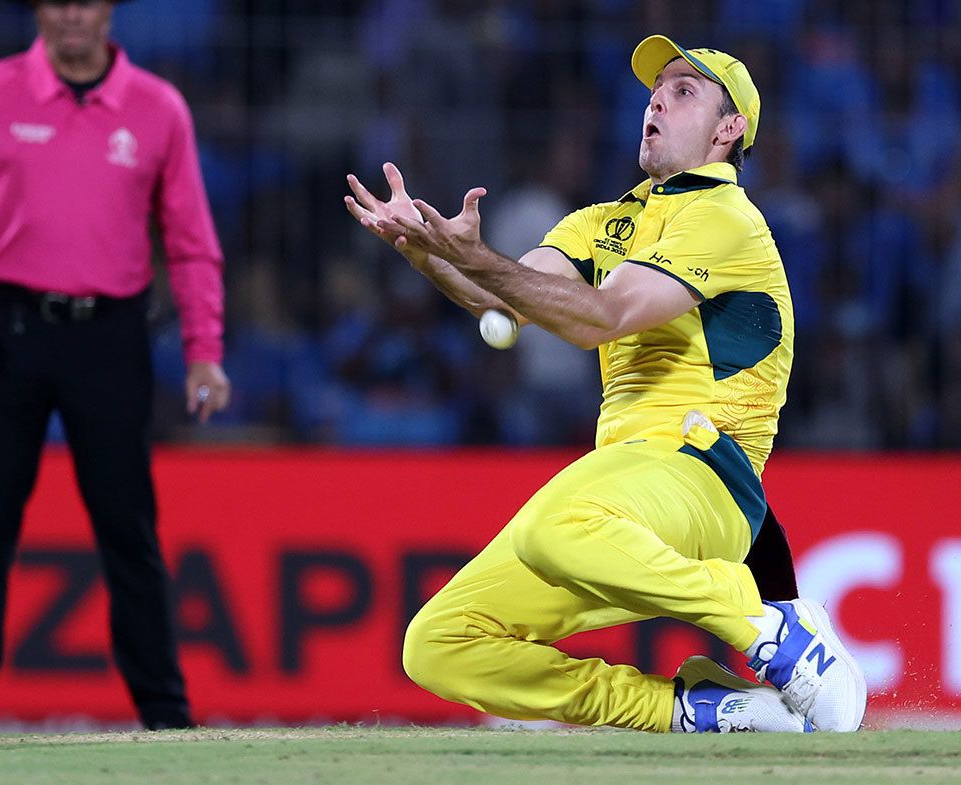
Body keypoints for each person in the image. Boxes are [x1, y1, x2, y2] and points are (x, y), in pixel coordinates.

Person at [346, 36, 866, 733]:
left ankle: (772, 630)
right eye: (656, 89)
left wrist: (476, 261)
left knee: (554, 525)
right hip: (628, 482)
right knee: (440, 643)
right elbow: (500, 301)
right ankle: (698, 709)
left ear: (728, 128)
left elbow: (604, 317)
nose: (656, 98)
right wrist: (427, 248)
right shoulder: (603, 223)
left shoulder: (723, 218)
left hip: (704, 474)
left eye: (684, 91)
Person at [0, 0, 230, 731]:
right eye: (58, 3)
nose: (73, 18)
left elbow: (190, 241)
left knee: (129, 534)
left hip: (110, 337)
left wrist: (204, 350)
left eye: (86, 2)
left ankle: (166, 719)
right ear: (39, 11)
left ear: (109, 11)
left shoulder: (157, 109)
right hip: (3, 331)